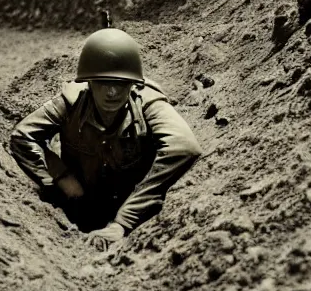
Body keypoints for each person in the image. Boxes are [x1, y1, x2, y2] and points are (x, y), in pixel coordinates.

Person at [10, 28, 202, 251]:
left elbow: (184, 147)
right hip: (80, 202)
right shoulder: (72, 101)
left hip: (130, 202)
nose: (112, 92)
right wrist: (61, 176)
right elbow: (23, 136)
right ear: (89, 82)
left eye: (120, 83)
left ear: (133, 84)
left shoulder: (148, 103)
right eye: (103, 82)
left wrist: (125, 221)